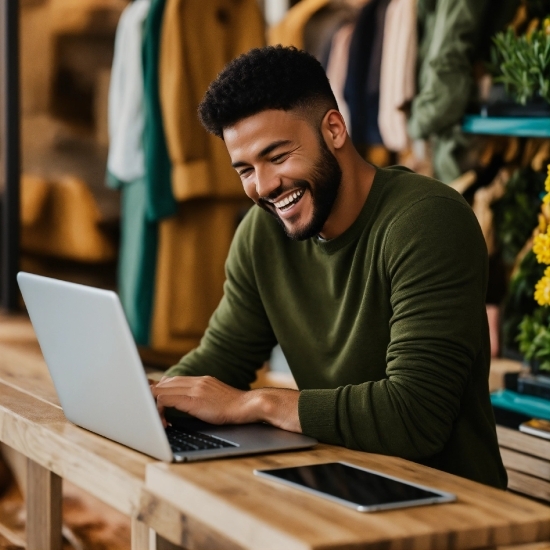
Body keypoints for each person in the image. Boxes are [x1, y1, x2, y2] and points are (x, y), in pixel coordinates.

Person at [152, 45, 507, 489]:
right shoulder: (262, 235)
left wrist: (255, 404)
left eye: (277, 157)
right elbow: (221, 358)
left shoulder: (428, 220)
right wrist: (154, 399)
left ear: (334, 129)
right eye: (244, 169)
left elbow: (416, 416)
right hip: (335, 479)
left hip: (451, 504)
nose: (263, 187)